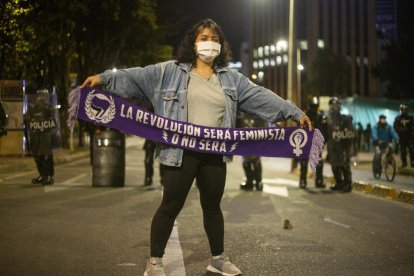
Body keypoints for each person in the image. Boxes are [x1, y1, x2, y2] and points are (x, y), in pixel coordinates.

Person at [82, 18, 312, 276]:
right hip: (180, 152)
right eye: (204, 38)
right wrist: (102, 79)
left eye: (215, 39)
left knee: (212, 207)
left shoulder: (231, 80)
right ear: (193, 43)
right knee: (170, 206)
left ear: (221, 45)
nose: (209, 44)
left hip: (214, 154)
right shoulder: (168, 72)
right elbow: (134, 77)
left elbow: (261, 96)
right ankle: (155, 262)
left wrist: (293, 112)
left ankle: (218, 259)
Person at [26, 90, 56, 185]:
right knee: (37, 157)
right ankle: (42, 175)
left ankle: (48, 176)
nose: (41, 97)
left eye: (43, 95)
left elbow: (53, 122)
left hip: (45, 136)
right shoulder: (33, 108)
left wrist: (52, 134)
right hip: (35, 136)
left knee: (46, 156)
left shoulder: (48, 108)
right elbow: (28, 119)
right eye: (39, 95)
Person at [325, 97, 355, 192]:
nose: (335, 107)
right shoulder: (327, 120)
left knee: (345, 165)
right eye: (333, 105)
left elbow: (352, 132)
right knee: (334, 165)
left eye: (337, 105)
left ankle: (348, 184)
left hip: (343, 146)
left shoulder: (345, 119)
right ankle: (339, 183)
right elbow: (324, 133)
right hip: (332, 146)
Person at [299, 97, 327, 189]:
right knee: (304, 162)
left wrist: (323, 141)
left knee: (319, 162)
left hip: (316, 143)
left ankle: (319, 180)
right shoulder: (305, 116)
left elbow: (323, 129)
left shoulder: (319, 116)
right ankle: (303, 181)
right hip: (306, 143)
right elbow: (299, 130)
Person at [238, 113, 265, 191]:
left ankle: (258, 182)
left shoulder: (258, 115)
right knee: (246, 162)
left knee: (256, 161)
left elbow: (263, 128)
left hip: (255, 140)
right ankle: (250, 181)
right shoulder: (241, 114)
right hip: (245, 141)